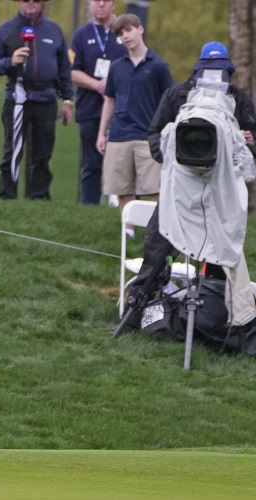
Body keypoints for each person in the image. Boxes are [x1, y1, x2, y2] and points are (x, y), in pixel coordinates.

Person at [124, 42, 256, 319]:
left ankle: (216, 315)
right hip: (179, 187)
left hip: (219, 190)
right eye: (209, 70)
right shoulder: (177, 95)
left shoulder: (238, 99)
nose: (214, 77)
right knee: (158, 245)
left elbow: (252, 140)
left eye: (219, 72)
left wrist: (247, 144)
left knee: (221, 251)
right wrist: (171, 159)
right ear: (197, 69)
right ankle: (137, 308)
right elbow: (155, 132)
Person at [0, 0, 73, 200]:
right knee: (13, 150)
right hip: (17, 99)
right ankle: (7, 196)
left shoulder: (53, 30)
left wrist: (68, 100)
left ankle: (39, 198)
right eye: (26, 0)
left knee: (43, 153)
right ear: (19, 2)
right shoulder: (7, 30)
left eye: (36, 0)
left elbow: (64, 69)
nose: (31, 4)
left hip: (47, 99)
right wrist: (10, 61)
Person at [95, 14, 173, 214]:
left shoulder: (159, 66)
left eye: (128, 30)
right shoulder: (116, 67)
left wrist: (165, 132)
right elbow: (109, 100)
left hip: (149, 136)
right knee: (123, 188)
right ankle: (128, 230)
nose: (125, 37)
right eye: (121, 34)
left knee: (154, 188)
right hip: (119, 135)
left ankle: (153, 232)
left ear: (140, 29)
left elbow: (170, 102)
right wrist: (102, 133)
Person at [69, 0, 125, 205]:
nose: (100, 5)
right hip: (89, 109)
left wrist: (114, 86)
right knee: (91, 162)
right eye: (95, 1)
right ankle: (90, 208)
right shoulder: (81, 36)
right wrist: (98, 85)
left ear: (113, 5)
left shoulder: (125, 32)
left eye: (105, 1)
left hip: (121, 110)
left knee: (121, 161)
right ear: (89, 5)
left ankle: (120, 207)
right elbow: (73, 72)